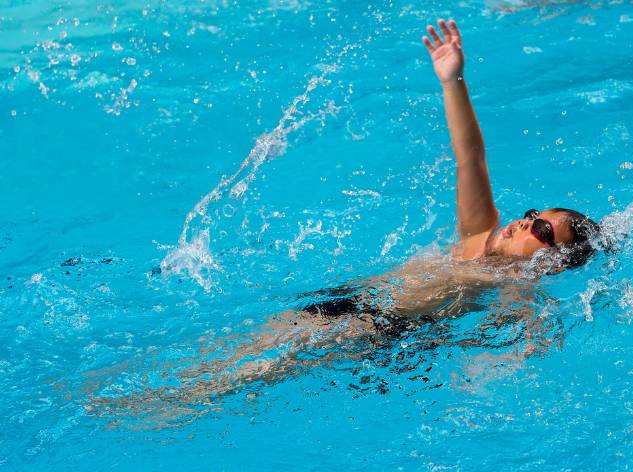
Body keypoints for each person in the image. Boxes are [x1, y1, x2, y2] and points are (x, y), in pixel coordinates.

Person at [88, 19, 601, 424]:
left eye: (542, 231)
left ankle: (153, 410)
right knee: (241, 350)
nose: (526, 222)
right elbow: (471, 158)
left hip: (378, 327)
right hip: (353, 298)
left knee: (256, 366)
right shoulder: (477, 233)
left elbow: (529, 331)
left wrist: (508, 360)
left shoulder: (514, 283)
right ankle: (144, 398)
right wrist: (452, 80)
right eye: (532, 213)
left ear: (553, 262)